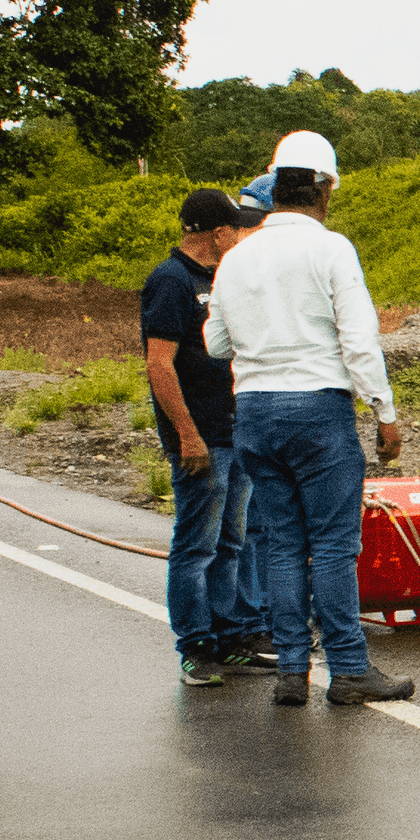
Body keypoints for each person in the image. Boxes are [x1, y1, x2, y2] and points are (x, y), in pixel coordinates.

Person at [201, 131, 414, 707]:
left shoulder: (237, 257)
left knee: (282, 546)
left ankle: (293, 672)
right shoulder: (332, 250)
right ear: (324, 189)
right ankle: (347, 669)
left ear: (276, 185)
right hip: (318, 408)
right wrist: (384, 413)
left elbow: (217, 343)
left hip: (254, 412)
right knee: (334, 545)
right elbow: (359, 339)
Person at [143, 188, 272, 685]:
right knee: (197, 543)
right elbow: (159, 364)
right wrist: (187, 435)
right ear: (218, 232)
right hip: (201, 437)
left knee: (232, 539)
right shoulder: (171, 281)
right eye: (234, 229)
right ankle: (195, 644)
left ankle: (232, 633)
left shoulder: (221, 277)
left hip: (233, 427)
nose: (239, 237)